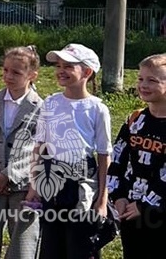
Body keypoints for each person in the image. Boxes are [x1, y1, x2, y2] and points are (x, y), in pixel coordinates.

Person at [24, 43, 112, 259]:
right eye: (59, 65)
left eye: (69, 66)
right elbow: (40, 146)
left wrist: (102, 200)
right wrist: (34, 186)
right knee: (52, 243)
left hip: (83, 182)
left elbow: (104, 155)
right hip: (53, 180)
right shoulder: (51, 103)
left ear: (87, 72)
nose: (61, 70)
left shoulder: (97, 108)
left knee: (81, 243)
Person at [0, 45, 43, 259]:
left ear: (32, 75)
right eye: (5, 70)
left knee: (23, 244)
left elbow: (36, 148)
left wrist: (9, 175)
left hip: (23, 186)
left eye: (16, 72)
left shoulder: (41, 108)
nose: (8, 76)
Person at [107, 53, 166, 259]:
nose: (143, 84)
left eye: (152, 80)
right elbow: (117, 160)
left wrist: (146, 205)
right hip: (130, 210)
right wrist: (118, 196)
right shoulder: (134, 119)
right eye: (141, 79)